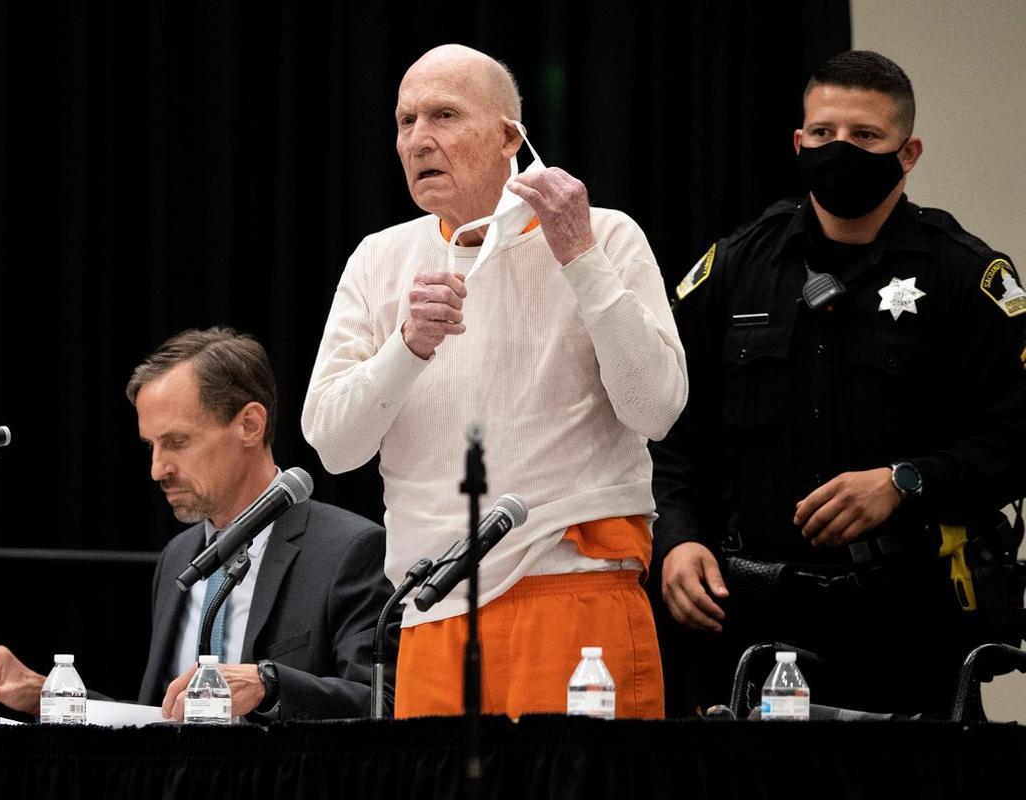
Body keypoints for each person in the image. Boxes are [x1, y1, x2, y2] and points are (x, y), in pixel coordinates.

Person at [302, 44, 687, 719]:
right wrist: (406, 346)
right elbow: (332, 445)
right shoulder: (379, 259)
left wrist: (579, 257)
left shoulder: (604, 234)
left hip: (572, 590)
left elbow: (655, 407)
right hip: (429, 611)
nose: (419, 138)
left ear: (511, 136)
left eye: (444, 115)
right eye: (405, 120)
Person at [650, 50, 1026, 717]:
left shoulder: (967, 276)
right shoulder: (736, 267)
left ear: (907, 154)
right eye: (823, 135)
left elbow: (1016, 439)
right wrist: (678, 536)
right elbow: (670, 428)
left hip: (906, 624)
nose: (840, 150)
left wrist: (904, 480)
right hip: (749, 619)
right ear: (798, 142)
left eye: (865, 137)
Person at [0, 327, 395, 722]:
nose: (157, 469)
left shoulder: (349, 550)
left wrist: (270, 685)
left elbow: (385, 704)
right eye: (151, 445)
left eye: (176, 441)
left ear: (250, 425)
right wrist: (46, 693)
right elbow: (156, 717)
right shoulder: (180, 555)